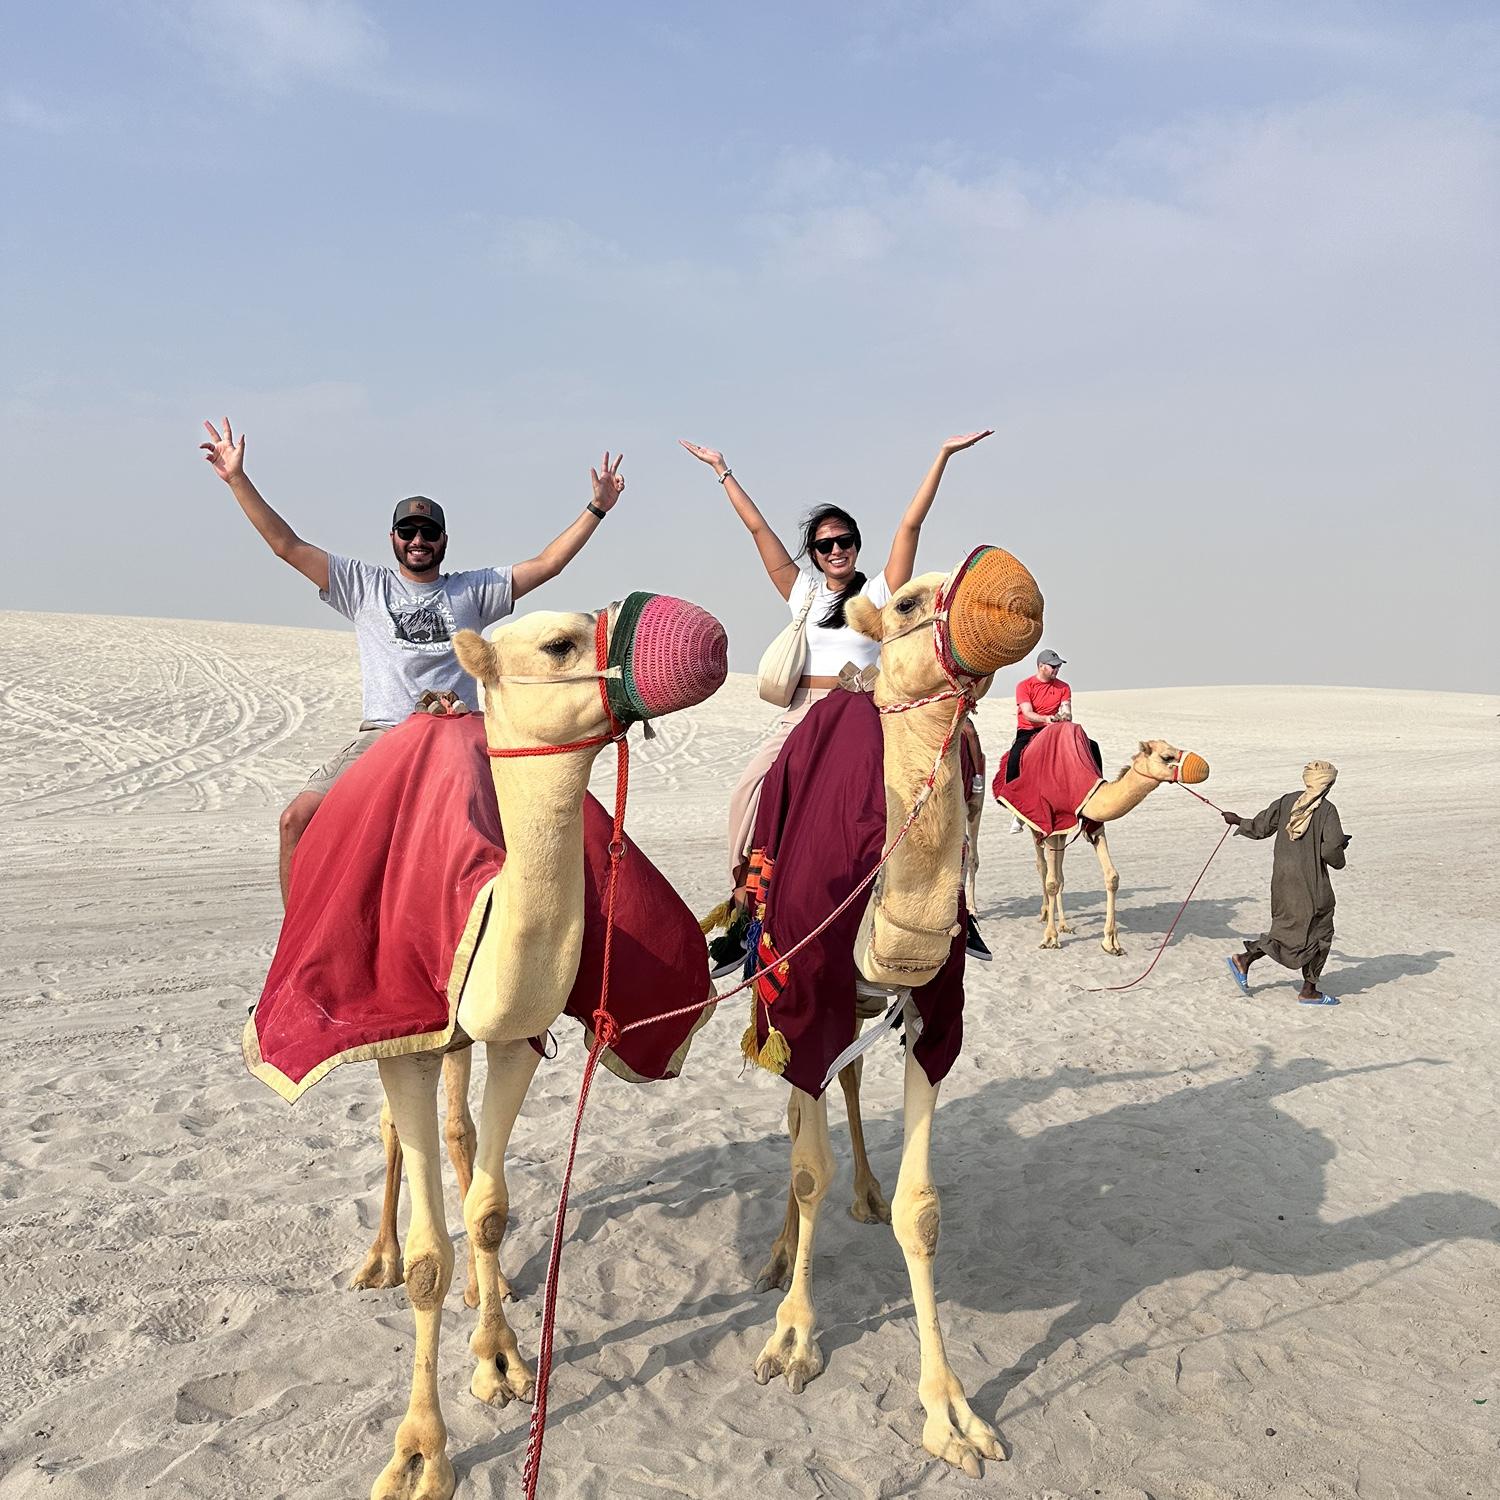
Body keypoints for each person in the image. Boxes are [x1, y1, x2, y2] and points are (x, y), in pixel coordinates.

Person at [199, 418, 625, 903]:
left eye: (428, 531)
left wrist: (597, 508)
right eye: (408, 531)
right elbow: (286, 546)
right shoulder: (363, 586)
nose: (417, 540)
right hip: (384, 734)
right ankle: (298, 950)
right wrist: (236, 478)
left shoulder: (472, 591)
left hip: (458, 733)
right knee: (295, 820)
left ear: (443, 540)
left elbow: (547, 563)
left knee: (541, 825)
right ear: (393, 537)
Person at [680, 430, 993, 975]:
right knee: (749, 793)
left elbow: (910, 527)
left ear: (856, 544)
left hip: (864, 711)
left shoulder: (879, 594)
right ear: (816, 554)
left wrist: (940, 457)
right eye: (825, 544)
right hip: (804, 712)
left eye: (845, 539)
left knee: (936, 787)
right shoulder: (802, 592)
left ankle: (955, 910)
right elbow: (758, 529)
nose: (836, 550)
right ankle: (745, 911)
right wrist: (722, 470)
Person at [1222, 761, 1350, 1005]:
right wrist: (1341, 851)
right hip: (1310, 881)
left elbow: (1261, 827)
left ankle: (1244, 960)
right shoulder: (1327, 810)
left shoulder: (1286, 801)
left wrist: (1237, 820)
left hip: (1282, 879)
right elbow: (1331, 849)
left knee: (1286, 927)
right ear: (1328, 783)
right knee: (1321, 931)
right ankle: (1308, 990)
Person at [1005, 648, 1071, 831]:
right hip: (1029, 730)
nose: (1057, 670)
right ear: (1041, 666)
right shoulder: (1024, 686)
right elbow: (1027, 714)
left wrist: (1064, 716)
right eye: (1053, 666)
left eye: (1058, 667)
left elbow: (1066, 709)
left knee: (1089, 746)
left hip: (1054, 729)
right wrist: (1046, 719)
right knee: (1014, 760)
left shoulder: (1063, 687)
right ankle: (1016, 808)